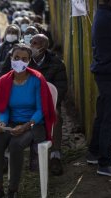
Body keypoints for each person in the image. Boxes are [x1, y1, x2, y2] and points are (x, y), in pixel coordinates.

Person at [0, 44, 56, 198]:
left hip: (34, 124)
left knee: (16, 144)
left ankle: (13, 189)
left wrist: (26, 126)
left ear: (29, 61)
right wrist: (3, 123)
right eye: (16, 58)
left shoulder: (37, 79)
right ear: (11, 59)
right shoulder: (5, 80)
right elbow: (3, 107)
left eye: (24, 59)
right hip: (11, 123)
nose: (20, 61)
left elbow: (41, 110)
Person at [87, 0, 111, 177]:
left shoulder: (102, 15)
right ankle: (105, 162)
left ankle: (95, 152)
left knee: (103, 115)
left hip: (106, 75)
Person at [29, 34, 68, 175]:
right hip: (27, 103)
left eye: (36, 43)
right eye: (31, 43)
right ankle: (12, 154)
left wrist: (47, 103)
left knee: (56, 117)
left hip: (49, 102)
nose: (32, 46)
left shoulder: (56, 63)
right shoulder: (24, 60)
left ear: (44, 47)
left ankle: (55, 155)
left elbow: (61, 88)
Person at [0, 25, 21, 102]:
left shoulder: (22, 48)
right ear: (5, 34)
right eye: (9, 32)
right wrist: (6, 64)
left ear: (18, 35)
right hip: (0, 75)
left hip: (18, 76)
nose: (11, 34)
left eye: (14, 33)